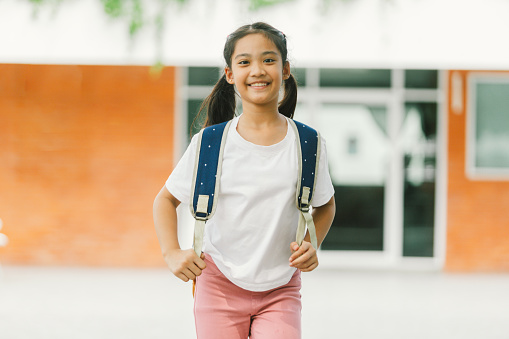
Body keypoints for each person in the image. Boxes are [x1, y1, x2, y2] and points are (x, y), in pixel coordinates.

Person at [153, 22, 335, 339]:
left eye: (268, 59)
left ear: (286, 68)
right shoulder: (210, 143)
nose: (257, 70)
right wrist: (172, 252)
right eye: (244, 62)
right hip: (218, 282)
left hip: (281, 287)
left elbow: (326, 203)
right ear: (229, 74)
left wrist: (311, 242)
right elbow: (165, 200)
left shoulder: (308, 143)